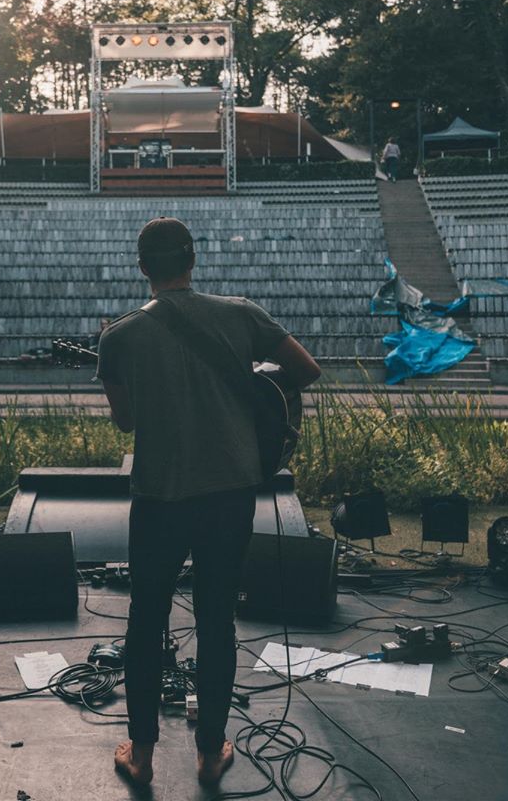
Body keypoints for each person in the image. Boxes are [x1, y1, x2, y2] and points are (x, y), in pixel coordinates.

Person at [96, 216, 321, 788]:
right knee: (217, 618)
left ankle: (142, 754)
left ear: (143, 267)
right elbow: (306, 370)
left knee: (145, 620)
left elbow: (126, 423)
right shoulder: (242, 314)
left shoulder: (118, 337)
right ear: (192, 260)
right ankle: (208, 751)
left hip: (159, 497)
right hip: (230, 494)